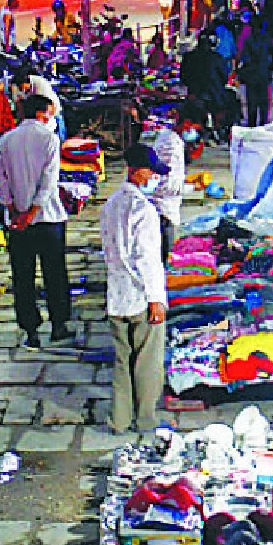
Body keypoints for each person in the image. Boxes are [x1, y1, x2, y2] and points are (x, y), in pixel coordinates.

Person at [0, 94, 74, 349]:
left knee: (23, 275)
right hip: (48, 218)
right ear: (42, 114)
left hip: (17, 222)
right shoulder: (49, 139)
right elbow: (49, 181)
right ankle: (58, 325)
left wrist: (14, 209)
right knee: (55, 273)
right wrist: (32, 212)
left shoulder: (6, 141)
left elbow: (0, 178)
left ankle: (31, 330)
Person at [102, 145, 170, 435]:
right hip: (141, 296)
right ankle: (145, 420)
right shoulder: (143, 210)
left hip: (117, 295)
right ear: (137, 171)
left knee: (121, 362)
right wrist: (156, 299)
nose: (155, 177)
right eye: (152, 172)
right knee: (147, 363)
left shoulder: (111, 204)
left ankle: (118, 420)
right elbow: (147, 259)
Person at [150, 100, 204, 256]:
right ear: (187, 123)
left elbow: (169, 175)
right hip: (164, 210)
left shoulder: (169, 138)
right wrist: (193, 188)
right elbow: (165, 186)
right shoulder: (171, 146)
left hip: (164, 208)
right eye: (194, 128)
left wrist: (186, 180)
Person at [239, 20, 273, 126]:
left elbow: (245, 59)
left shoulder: (249, 41)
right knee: (263, 103)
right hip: (264, 74)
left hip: (252, 75)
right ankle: (263, 124)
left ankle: (252, 125)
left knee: (252, 102)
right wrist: (270, 68)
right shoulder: (267, 40)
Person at [179, 31, 230, 112]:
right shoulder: (218, 58)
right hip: (214, 97)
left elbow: (183, 77)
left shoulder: (188, 57)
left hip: (194, 96)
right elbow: (224, 78)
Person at [15, 66, 65, 140]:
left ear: (27, 82)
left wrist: (46, 121)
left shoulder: (41, 85)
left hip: (53, 117)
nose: (22, 89)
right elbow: (20, 104)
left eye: (22, 87)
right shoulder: (23, 89)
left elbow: (51, 105)